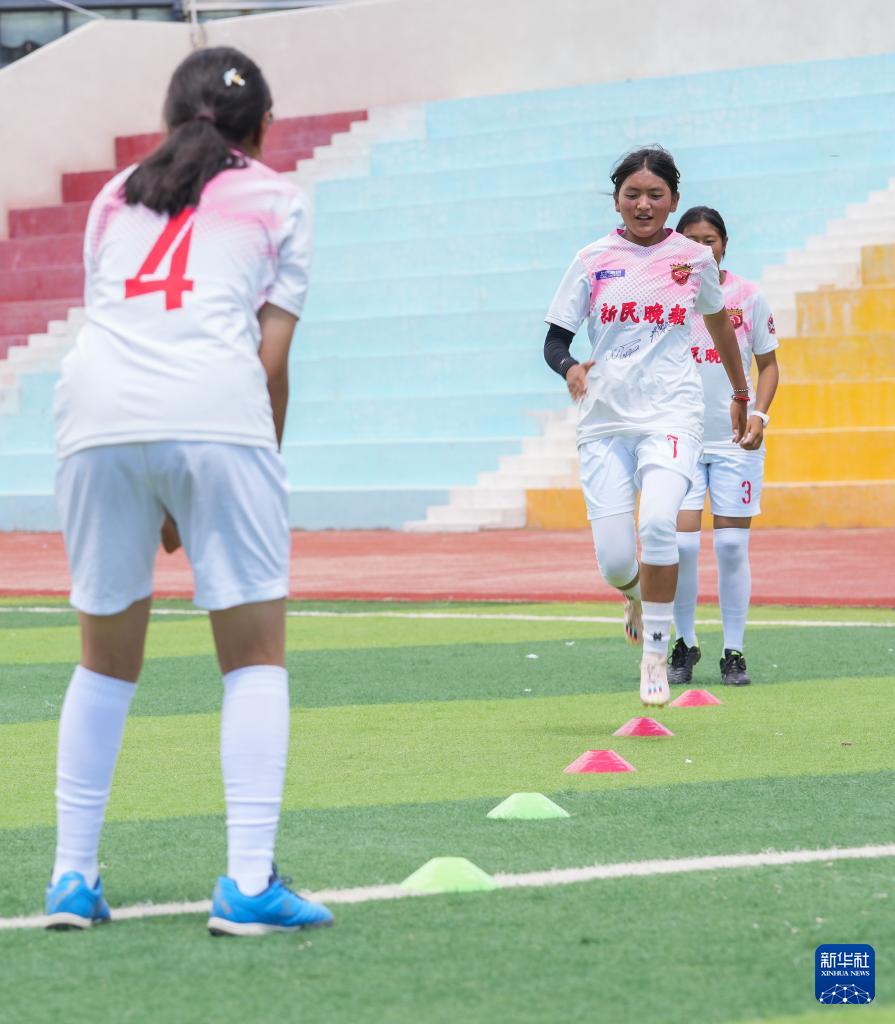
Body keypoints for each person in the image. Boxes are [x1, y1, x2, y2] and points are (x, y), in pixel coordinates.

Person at [45, 47, 333, 936]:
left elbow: (122, 323)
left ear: (169, 118)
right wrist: (237, 473)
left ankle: (71, 879)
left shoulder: (113, 196)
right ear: (264, 127)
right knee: (253, 657)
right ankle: (248, 884)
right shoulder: (280, 199)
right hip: (214, 410)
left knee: (102, 661)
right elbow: (269, 363)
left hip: (93, 414)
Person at [543, 146, 751, 707]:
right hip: (605, 420)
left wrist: (740, 392)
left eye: (655, 195)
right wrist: (570, 368)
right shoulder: (592, 259)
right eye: (632, 194)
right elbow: (555, 340)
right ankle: (634, 595)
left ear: (673, 200)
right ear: (616, 200)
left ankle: (656, 653)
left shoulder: (694, 259)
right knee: (615, 561)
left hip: (672, 413)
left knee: (660, 524)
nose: (643, 204)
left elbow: (720, 326)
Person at [668, 206, 780, 687]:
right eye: (691, 240)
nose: (701, 248)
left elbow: (768, 365)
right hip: (681, 438)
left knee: (732, 546)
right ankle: (684, 642)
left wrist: (759, 414)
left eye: (709, 240)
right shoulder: (664, 296)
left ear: (724, 244)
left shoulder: (748, 296)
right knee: (680, 545)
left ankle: (733, 650)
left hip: (736, 441)